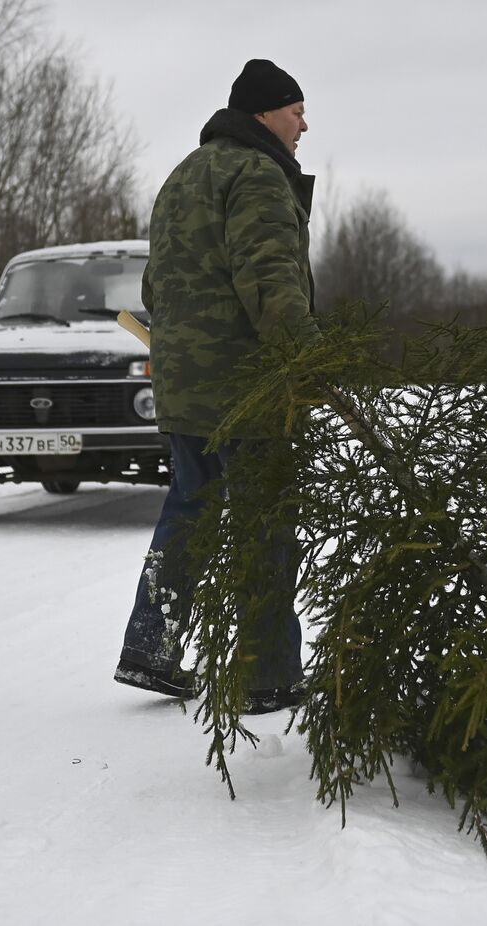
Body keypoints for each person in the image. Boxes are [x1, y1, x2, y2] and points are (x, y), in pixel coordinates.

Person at [114, 59, 316, 710]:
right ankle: (268, 676)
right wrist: (311, 364)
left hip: (184, 386)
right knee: (266, 524)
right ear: (264, 114)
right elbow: (271, 282)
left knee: (189, 512)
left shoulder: (183, 177)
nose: (303, 125)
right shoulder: (257, 174)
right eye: (296, 111)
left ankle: (153, 648)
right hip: (248, 388)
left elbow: (154, 287)